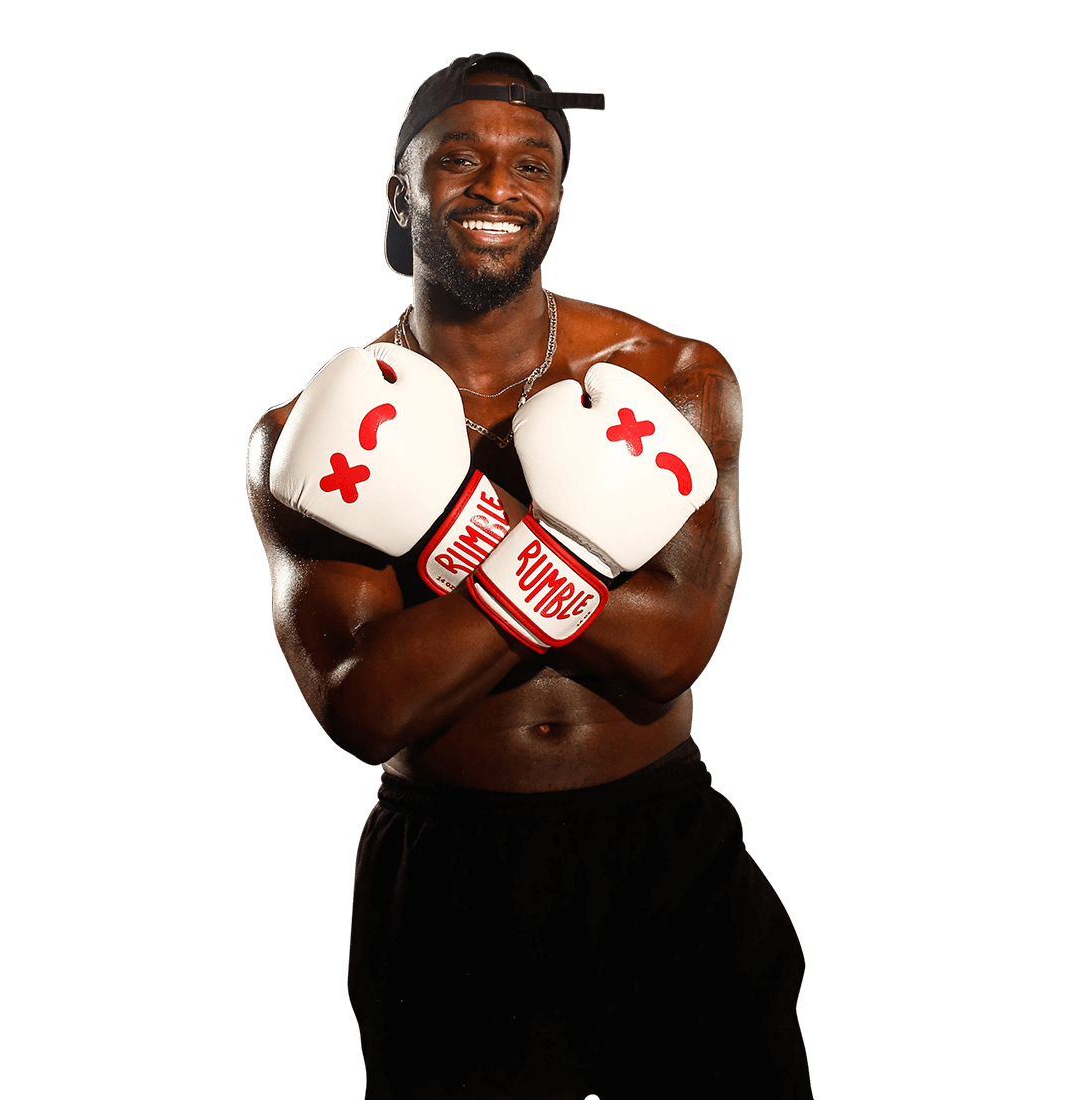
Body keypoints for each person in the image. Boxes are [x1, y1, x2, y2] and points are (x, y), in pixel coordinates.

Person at [247, 52, 811, 1100]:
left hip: (668, 848)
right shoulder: (303, 438)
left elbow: (668, 655)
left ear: (557, 195)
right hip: (447, 873)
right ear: (400, 194)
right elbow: (363, 707)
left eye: (531, 165)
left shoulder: (672, 374)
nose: (496, 188)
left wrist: (457, 526)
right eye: (457, 160)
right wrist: (572, 539)